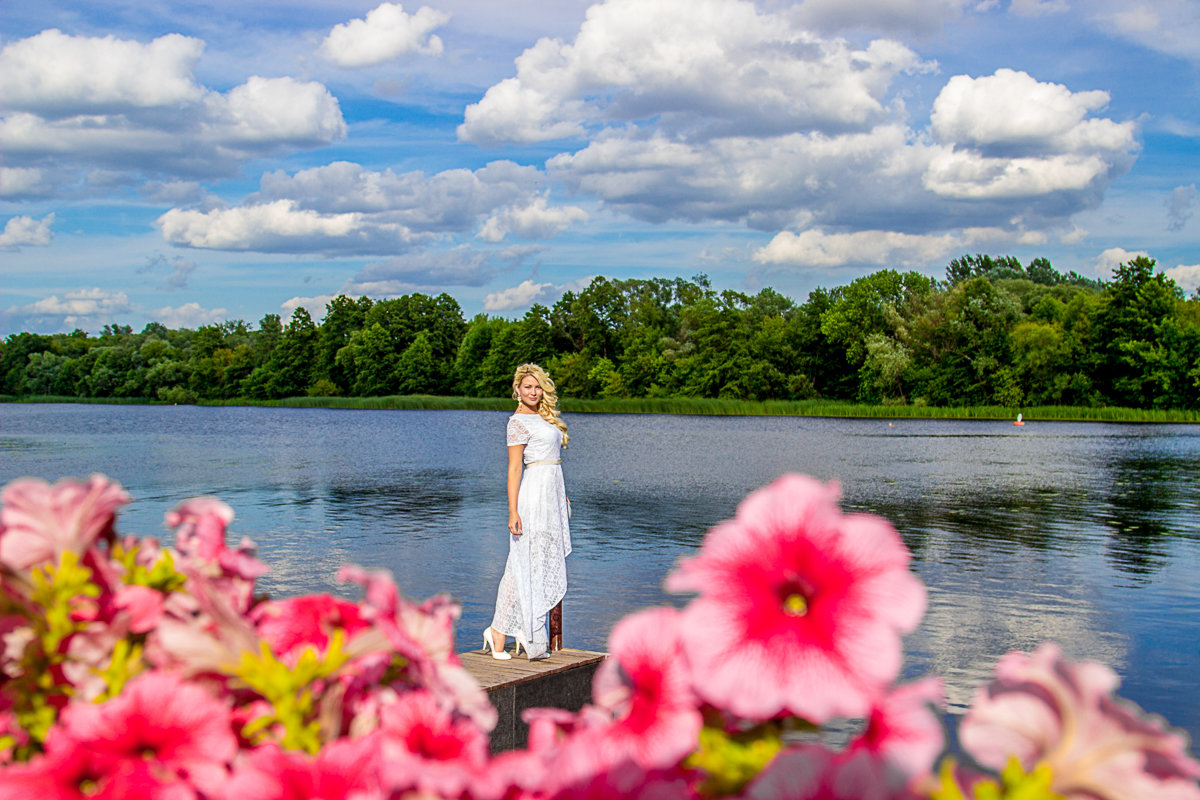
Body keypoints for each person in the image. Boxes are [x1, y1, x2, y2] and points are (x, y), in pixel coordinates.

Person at [483, 363, 571, 661]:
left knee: (537, 562)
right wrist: (512, 511)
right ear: (517, 390)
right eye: (527, 387)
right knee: (522, 563)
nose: (533, 392)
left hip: (551, 496)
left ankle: (508, 630)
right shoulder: (517, 422)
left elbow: (552, 461)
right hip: (532, 498)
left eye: (537, 387)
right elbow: (514, 468)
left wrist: (562, 498)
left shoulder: (542, 418)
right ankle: (504, 631)